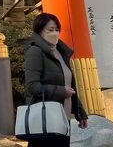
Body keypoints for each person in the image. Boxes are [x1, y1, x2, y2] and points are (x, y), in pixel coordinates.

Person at [23, 13, 87, 147]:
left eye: (57, 29)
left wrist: (80, 113)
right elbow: (32, 86)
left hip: (63, 117)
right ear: (40, 31)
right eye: (50, 30)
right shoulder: (35, 51)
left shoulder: (60, 52)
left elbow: (69, 86)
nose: (55, 33)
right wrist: (61, 92)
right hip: (45, 118)